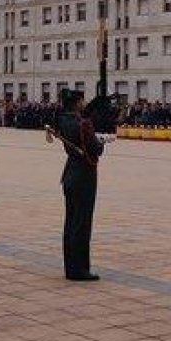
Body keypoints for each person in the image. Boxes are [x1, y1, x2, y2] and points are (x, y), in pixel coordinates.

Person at [57, 89, 106, 281]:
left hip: (70, 173)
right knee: (82, 223)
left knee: (71, 222)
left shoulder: (64, 120)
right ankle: (79, 269)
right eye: (82, 101)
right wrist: (101, 143)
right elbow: (94, 148)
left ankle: (71, 266)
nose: (84, 104)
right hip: (83, 175)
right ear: (77, 103)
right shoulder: (81, 123)